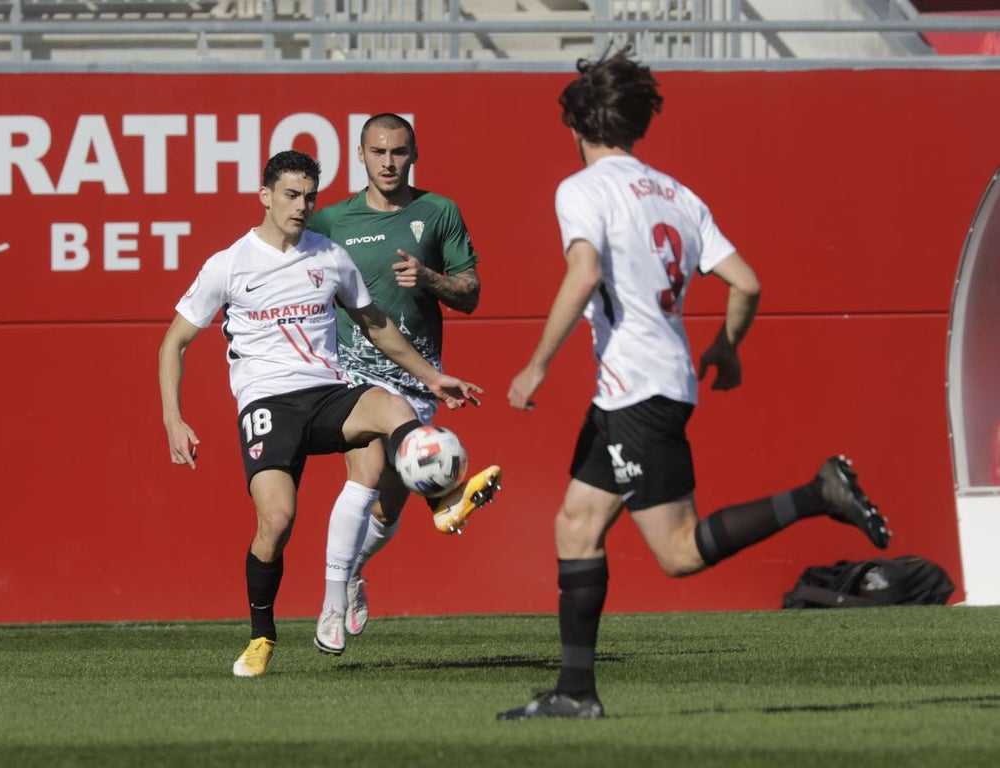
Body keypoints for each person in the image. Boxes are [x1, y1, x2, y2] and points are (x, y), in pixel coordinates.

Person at [497, 48, 891, 721]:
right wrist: (727, 349)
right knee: (575, 525)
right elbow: (747, 281)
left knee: (678, 554)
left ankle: (817, 492)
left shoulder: (583, 189)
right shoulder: (676, 194)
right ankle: (575, 692)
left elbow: (585, 271)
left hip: (635, 392)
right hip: (654, 385)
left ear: (576, 125)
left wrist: (536, 362)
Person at [158, 150, 483, 679]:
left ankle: (444, 498)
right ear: (265, 196)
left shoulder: (329, 256)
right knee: (277, 521)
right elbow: (174, 343)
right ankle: (262, 635)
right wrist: (174, 418)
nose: (303, 205)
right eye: (291, 194)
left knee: (394, 406)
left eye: (310, 196)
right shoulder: (229, 264)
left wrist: (431, 377)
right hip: (267, 402)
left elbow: (375, 323)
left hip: (328, 392)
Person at [306, 113, 500, 656]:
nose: (388, 162)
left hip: (416, 379)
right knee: (365, 473)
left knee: (387, 511)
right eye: (377, 152)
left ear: (413, 155)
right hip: (357, 378)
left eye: (398, 152)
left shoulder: (438, 212)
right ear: (360, 155)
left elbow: (471, 293)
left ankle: (353, 570)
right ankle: (330, 603)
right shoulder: (330, 221)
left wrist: (433, 279)